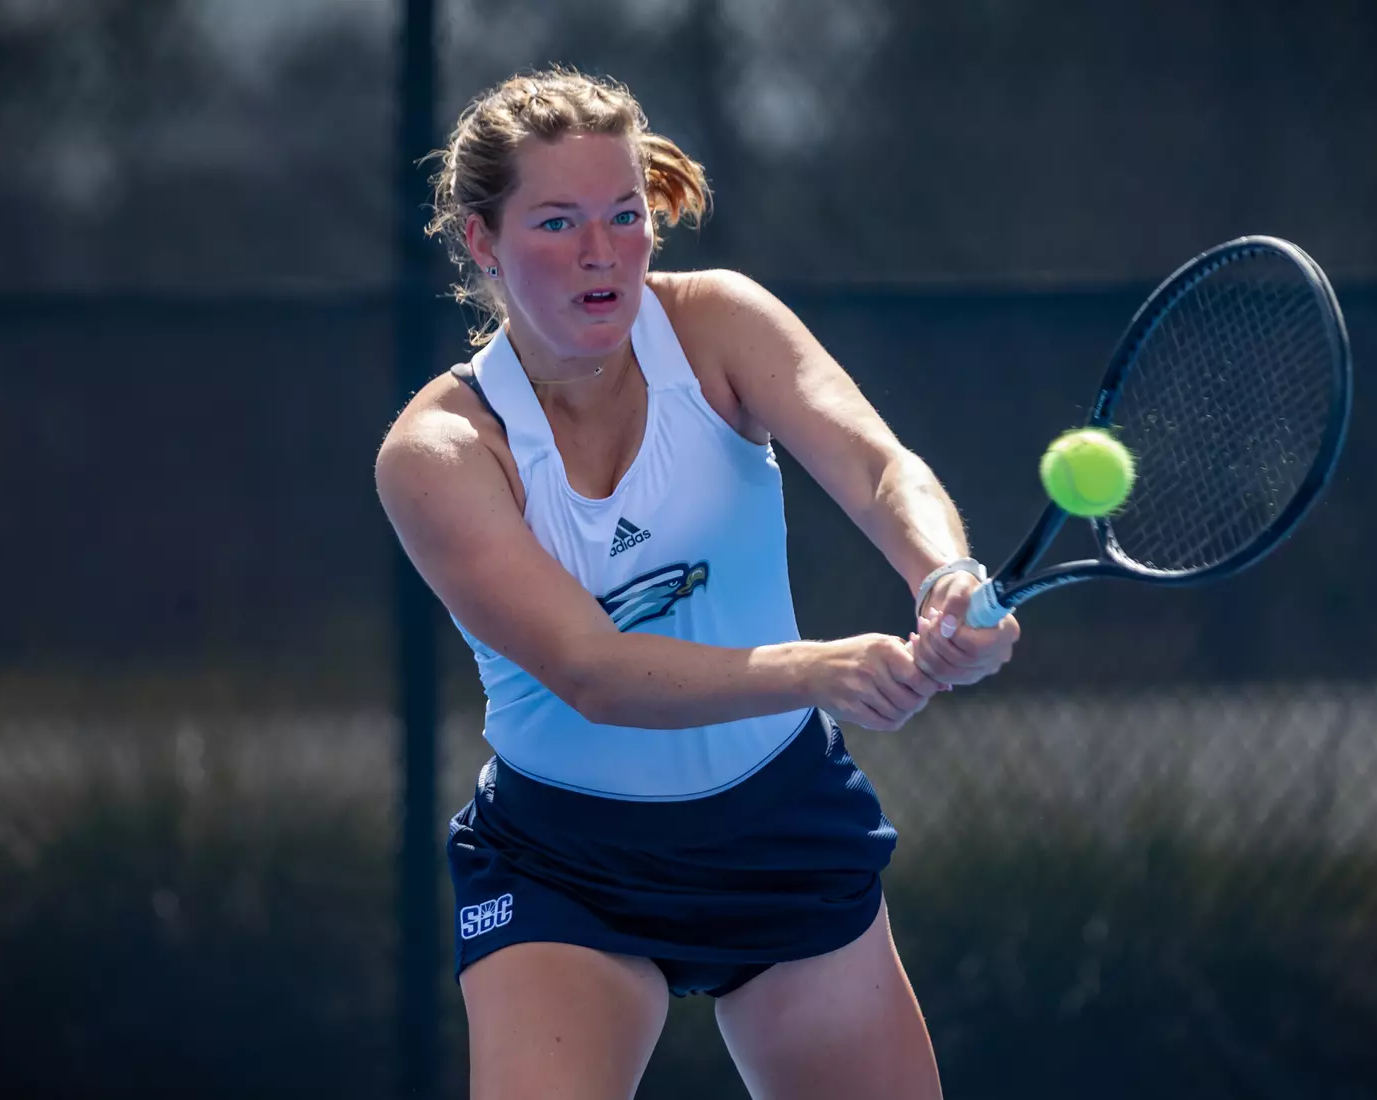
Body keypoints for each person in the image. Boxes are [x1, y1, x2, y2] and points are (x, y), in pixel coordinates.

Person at [375, 67, 1019, 1100]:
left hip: (783, 830)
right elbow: (592, 672)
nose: (601, 250)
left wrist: (944, 570)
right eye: (557, 221)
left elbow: (877, 467)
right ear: (481, 241)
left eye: (625, 213)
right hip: (566, 868)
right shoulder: (439, 452)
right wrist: (817, 670)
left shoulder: (719, 325)